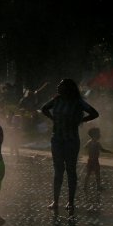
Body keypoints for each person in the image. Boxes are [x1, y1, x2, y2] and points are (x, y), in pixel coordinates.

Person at [41, 78, 100, 213]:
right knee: (58, 170)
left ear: (68, 88)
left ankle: (70, 201)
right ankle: (55, 201)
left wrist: (80, 120)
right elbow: (44, 108)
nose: (58, 88)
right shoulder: (56, 100)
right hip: (56, 139)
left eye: (61, 86)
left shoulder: (77, 102)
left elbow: (94, 113)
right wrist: (52, 118)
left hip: (71, 140)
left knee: (71, 170)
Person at [83, 126, 112, 192]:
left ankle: (85, 186)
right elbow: (102, 150)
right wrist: (109, 151)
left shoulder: (89, 142)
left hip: (90, 160)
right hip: (95, 161)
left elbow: (85, 147)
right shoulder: (97, 143)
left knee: (88, 174)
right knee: (97, 174)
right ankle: (98, 187)